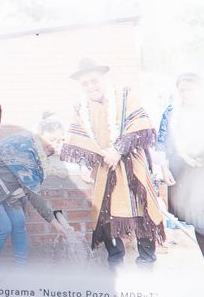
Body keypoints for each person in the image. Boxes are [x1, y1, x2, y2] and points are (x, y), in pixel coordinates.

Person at [61, 59, 166, 265]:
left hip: (132, 164)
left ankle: (146, 258)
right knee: (106, 213)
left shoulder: (125, 96)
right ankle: (115, 259)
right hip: (103, 168)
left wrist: (118, 149)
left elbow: (141, 125)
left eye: (94, 81)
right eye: (86, 83)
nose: (91, 86)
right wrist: (84, 164)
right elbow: (77, 139)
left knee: (142, 210)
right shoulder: (79, 107)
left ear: (103, 78)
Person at [158, 72, 204, 266]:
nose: (185, 94)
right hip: (188, 174)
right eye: (182, 90)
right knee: (199, 225)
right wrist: (164, 167)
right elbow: (162, 141)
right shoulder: (172, 113)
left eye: (190, 89)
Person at [0, 114, 73, 264]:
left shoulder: (37, 148)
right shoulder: (23, 147)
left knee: (19, 222)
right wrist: (55, 224)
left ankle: (21, 267)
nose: (55, 145)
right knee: (3, 227)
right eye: (52, 139)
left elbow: (29, 181)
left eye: (59, 141)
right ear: (40, 134)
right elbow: (32, 192)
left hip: (8, 190)